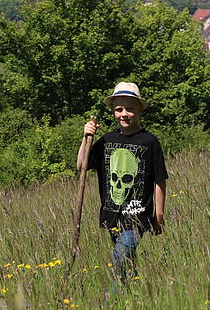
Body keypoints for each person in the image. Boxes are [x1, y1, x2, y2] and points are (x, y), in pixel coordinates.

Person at [76, 82, 168, 281]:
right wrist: (86, 137)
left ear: (140, 111)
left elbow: (159, 179)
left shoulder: (149, 141)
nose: (124, 114)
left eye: (129, 109)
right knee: (127, 261)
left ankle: (112, 299)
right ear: (113, 112)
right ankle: (134, 292)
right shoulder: (107, 141)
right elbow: (81, 166)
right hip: (111, 214)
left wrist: (158, 214)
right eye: (119, 109)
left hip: (137, 216)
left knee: (119, 258)